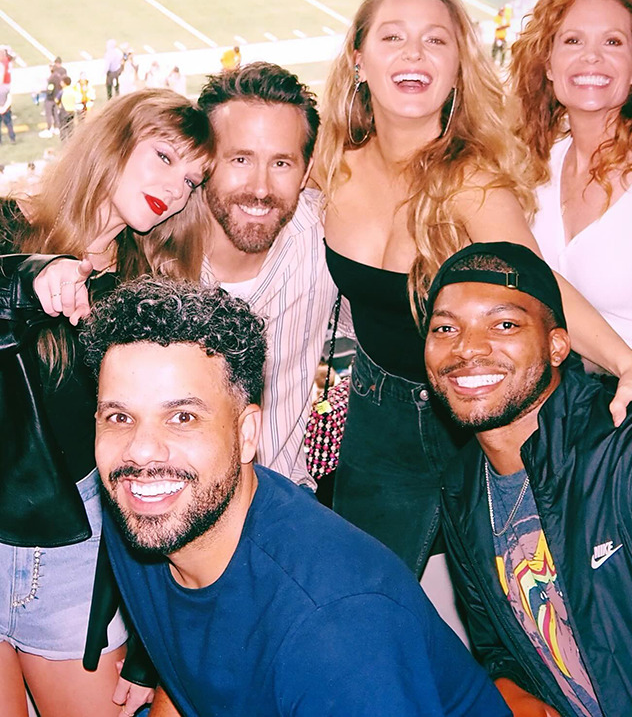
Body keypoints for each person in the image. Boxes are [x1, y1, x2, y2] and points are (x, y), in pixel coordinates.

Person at [314, 0, 632, 585]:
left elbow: (540, 285)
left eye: (435, 40)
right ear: (358, 59)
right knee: (359, 591)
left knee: (530, 601)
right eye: (393, 37)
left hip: (487, 407)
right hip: (377, 414)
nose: (414, 53)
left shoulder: (472, 179)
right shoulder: (326, 161)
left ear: (458, 69)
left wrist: (631, 366)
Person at [82, 274, 509, 717]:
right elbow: (188, 669)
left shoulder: (336, 631)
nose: (141, 451)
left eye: (183, 417)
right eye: (119, 417)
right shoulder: (146, 511)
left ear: (246, 435)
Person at [0, 88, 213, 717]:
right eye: (165, 157)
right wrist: (28, 276)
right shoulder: (8, 226)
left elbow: (162, 464)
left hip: (75, 554)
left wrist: (151, 638)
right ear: (115, 140)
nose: (176, 189)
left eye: (192, 180)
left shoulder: (146, 289)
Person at [425, 241, 632, 717]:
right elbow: (496, 646)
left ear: (556, 346)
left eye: (504, 324)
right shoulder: (462, 488)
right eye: (445, 328)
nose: (467, 347)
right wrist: (513, 693)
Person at [511, 0, 632, 397]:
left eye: (612, 42)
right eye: (572, 40)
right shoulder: (534, 165)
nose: (591, 56)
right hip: (557, 400)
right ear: (548, 65)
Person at [196, 63, 337, 488]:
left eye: (281, 163)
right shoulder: (147, 254)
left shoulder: (329, 239)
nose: (260, 188)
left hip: (282, 499)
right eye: (240, 159)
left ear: (306, 171)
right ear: (204, 161)